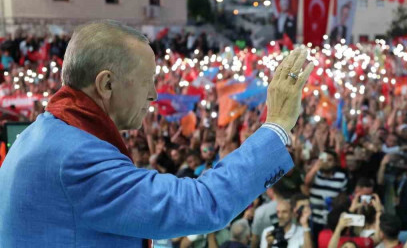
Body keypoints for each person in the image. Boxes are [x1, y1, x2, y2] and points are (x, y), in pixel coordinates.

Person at [0, 21, 314, 247]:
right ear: (106, 84)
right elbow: (202, 204)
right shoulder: (73, 158)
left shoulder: (38, 134)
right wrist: (277, 126)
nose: (153, 95)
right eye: (148, 80)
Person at [305, 150, 349, 229]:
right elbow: (307, 182)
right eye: (324, 159)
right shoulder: (315, 174)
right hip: (314, 218)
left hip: (331, 218)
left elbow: (343, 196)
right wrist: (316, 167)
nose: (326, 162)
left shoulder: (341, 177)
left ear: (335, 162)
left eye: (330, 160)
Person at [252, 181, 296, 248]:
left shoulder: (260, 211)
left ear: (271, 190)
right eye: (278, 212)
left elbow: (255, 239)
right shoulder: (292, 206)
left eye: (284, 212)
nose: (280, 216)